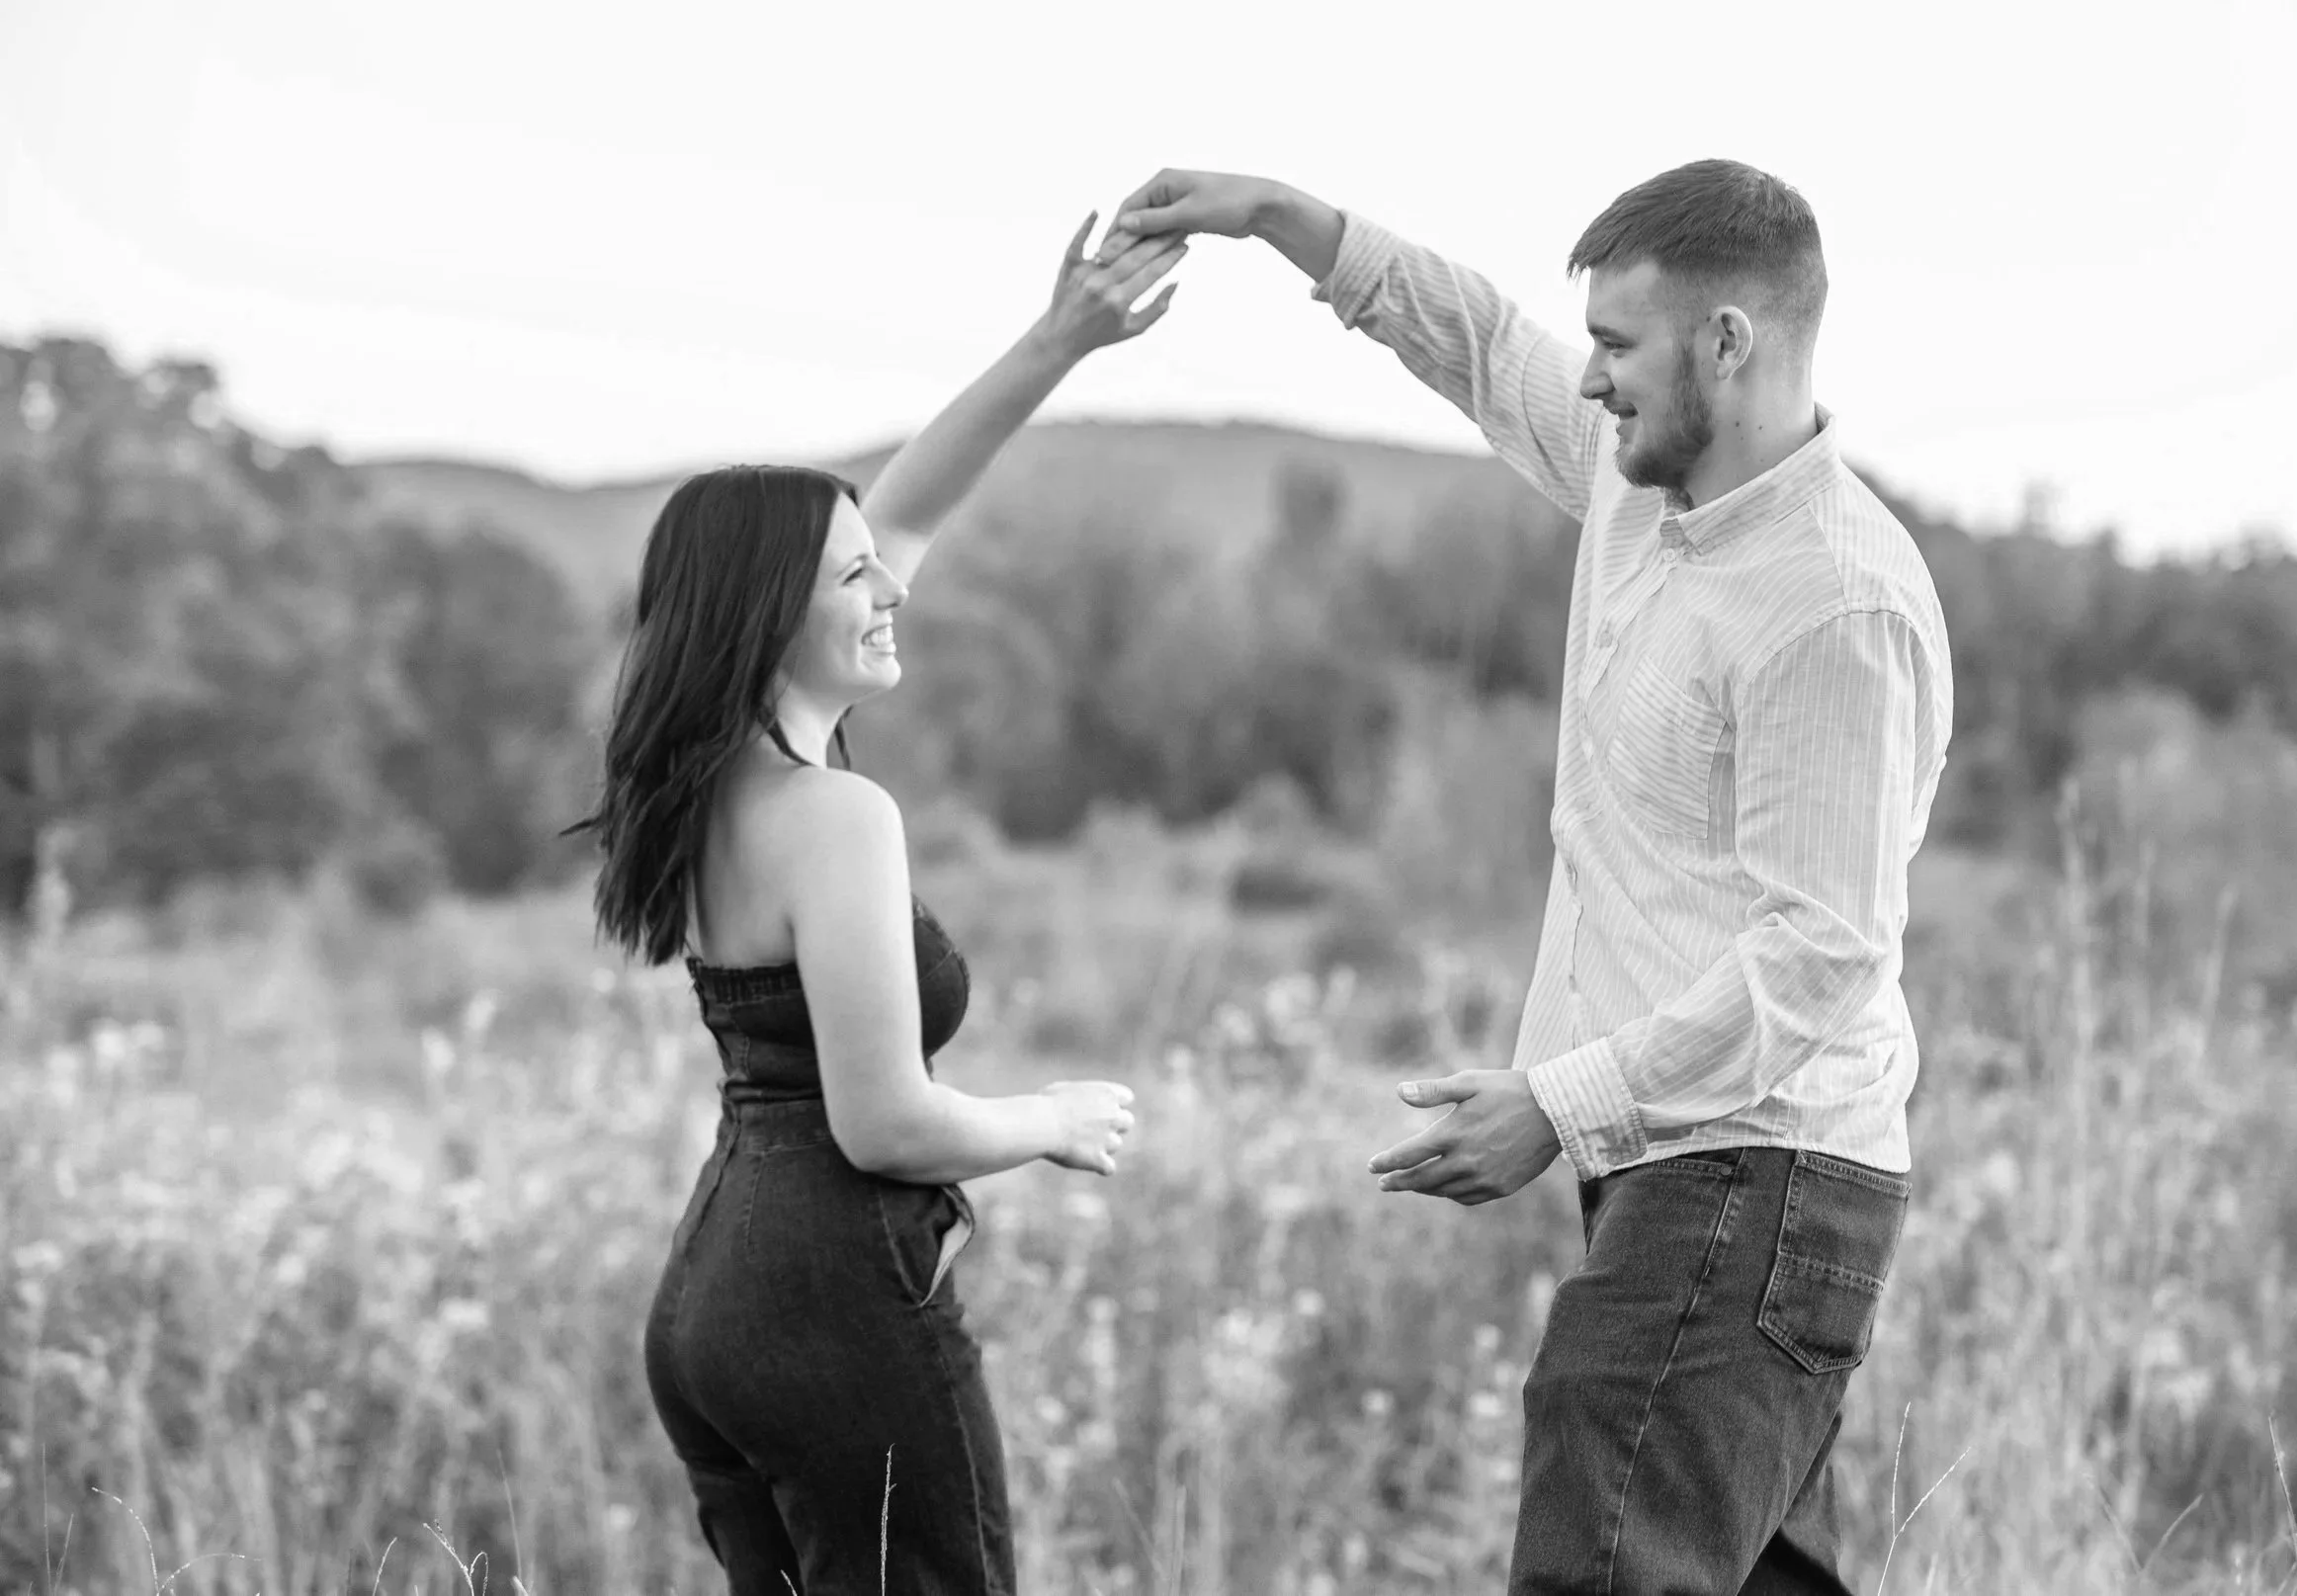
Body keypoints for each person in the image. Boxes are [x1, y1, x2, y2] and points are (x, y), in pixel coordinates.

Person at [1102, 163, 1952, 1595]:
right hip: (1696, 1169)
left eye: (1620, 345)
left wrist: (1557, 1101)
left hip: (1758, 1168)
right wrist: (1274, 218)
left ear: (1730, 341)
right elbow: (1486, 343)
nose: (1597, 380)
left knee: (1601, 1558)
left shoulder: (1836, 602)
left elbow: (1821, 961)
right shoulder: (1648, 490)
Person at [573, 215, 1186, 1595]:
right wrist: (1054, 1119)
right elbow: (887, 1119)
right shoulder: (839, 816)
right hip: (831, 1308)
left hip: (713, 1309)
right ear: (770, 617)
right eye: (855, 578)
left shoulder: (715, 787)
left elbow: (910, 502)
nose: (892, 585)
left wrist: (1060, 338)